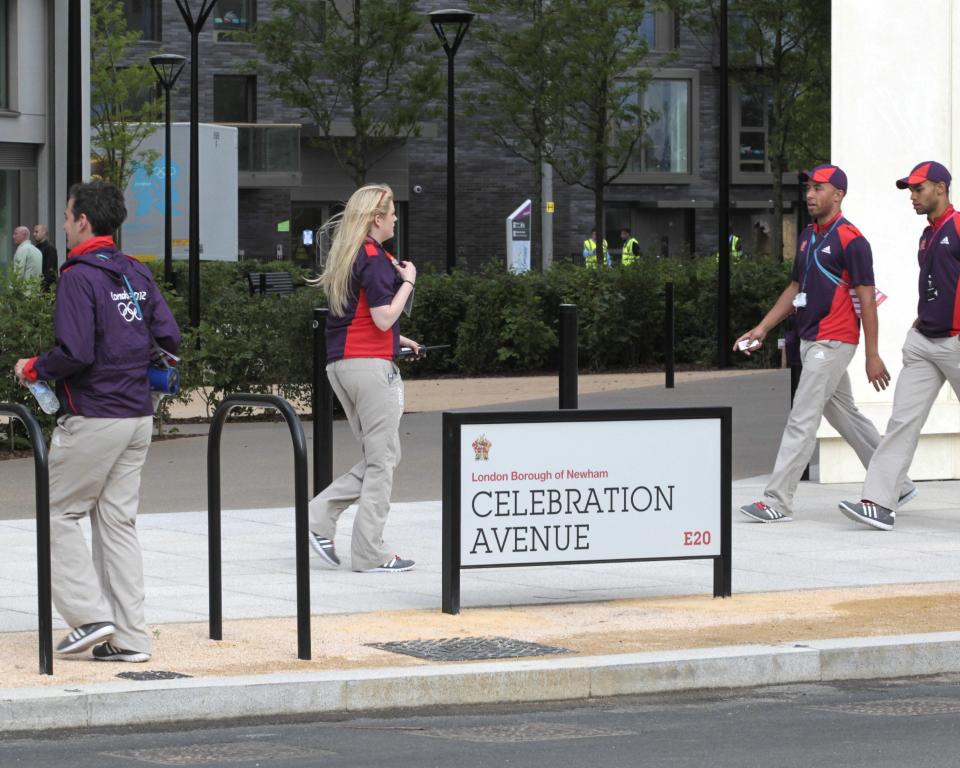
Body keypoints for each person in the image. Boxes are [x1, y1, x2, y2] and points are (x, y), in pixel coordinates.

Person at [14, 181, 181, 662]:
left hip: (94, 415)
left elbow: (76, 352)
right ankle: (131, 638)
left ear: (83, 221)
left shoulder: (77, 276)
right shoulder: (134, 272)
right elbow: (170, 338)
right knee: (117, 523)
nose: (64, 224)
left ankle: (89, 618)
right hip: (137, 415)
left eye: (67, 216)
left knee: (59, 512)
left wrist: (34, 367)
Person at [734, 164, 916, 523]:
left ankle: (777, 499)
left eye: (819, 188)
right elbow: (795, 288)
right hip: (810, 338)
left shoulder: (853, 240)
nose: (810, 194)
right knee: (846, 416)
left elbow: (866, 299)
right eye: (809, 188)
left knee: (802, 417)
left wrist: (872, 354)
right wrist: (763, 328)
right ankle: (900, 483)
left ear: (839, 194)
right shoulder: (807, 236)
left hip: (833, 342)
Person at [839, 161, 959, 531]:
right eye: (910, 190)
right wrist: (921, 319)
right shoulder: (927, 235)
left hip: (956, 341)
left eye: (918, 189)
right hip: (923, 343)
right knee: (901, 422)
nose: (912, 196)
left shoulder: (957, 227)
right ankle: (878, 502)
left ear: (940, 188)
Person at [308, 183, 420, 572]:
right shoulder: (374, 258)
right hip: (370, 368)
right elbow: (383, 315)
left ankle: (320, 515)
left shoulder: (351, 255)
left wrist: (398, 339)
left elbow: (357, 318)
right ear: (376, 218)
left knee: (383, 456)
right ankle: (367, 549)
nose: (395, 219)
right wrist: (408, 282)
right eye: (391, 213)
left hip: (343, 364)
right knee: (382, 460)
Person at [32, 224, 59, 291]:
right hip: (38, 287)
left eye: (36, 232)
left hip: (46, 290)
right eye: (33, 232)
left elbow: (50, 271)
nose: (34, 234)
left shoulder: (49, 248)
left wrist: (45, 289)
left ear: (44, 232)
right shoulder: (36, 248)